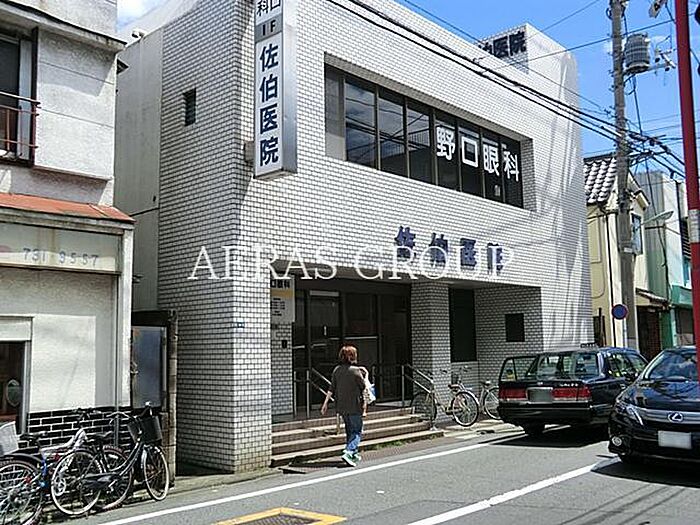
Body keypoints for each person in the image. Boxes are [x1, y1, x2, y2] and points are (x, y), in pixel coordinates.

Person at [321, 345, 366, 467]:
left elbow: (331, 388)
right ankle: (349, 451)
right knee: (357, 431)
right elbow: (363, 386)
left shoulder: (337, 370)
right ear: (352, 356)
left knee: (349, 429)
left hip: (341, 406)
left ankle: (353, 454)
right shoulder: (355, 371)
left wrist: (325, 403)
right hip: (355, 405)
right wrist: (365, 374)